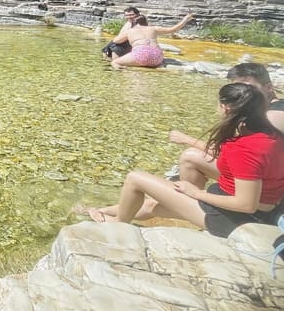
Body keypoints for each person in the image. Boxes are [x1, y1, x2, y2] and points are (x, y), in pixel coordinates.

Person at [78, 83, 284, 237]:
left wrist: (197, 193)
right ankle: (102, 211)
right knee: (155, 203)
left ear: (226, 109)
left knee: (135, 178)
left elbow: (246, 204)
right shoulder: (270, 135)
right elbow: (243, 164)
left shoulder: (244, 149)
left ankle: (118, 224)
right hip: (261, 208)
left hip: (234, 218)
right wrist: (189, 141)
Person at [165, 63, 284, 183]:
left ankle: (191, 194)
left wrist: (186, 139)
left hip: (266, 183)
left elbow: (240, 155)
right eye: (237, 88)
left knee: (190, 158)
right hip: (262, 176)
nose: (242, 94)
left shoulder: (272, 117)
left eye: (247, 88)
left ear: (269, 87)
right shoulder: (259, 110)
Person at [110, 13, 194, 69]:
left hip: (140, 55)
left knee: (115, 63)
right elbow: (173, 29)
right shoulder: (153, 28)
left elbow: (116, 41)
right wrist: (185, 19)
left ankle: (124, 73)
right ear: (146, 22)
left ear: (134, 23)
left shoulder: (130, 31)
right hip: (157, 57)